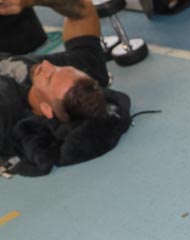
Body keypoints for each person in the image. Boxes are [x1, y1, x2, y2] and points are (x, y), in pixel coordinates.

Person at [0, 0, 109, 154]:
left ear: (46, 109)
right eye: (59, 68)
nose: (46, 64)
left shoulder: (6, 112)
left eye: (49, 78)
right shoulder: (81, 74)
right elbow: (83, 10)